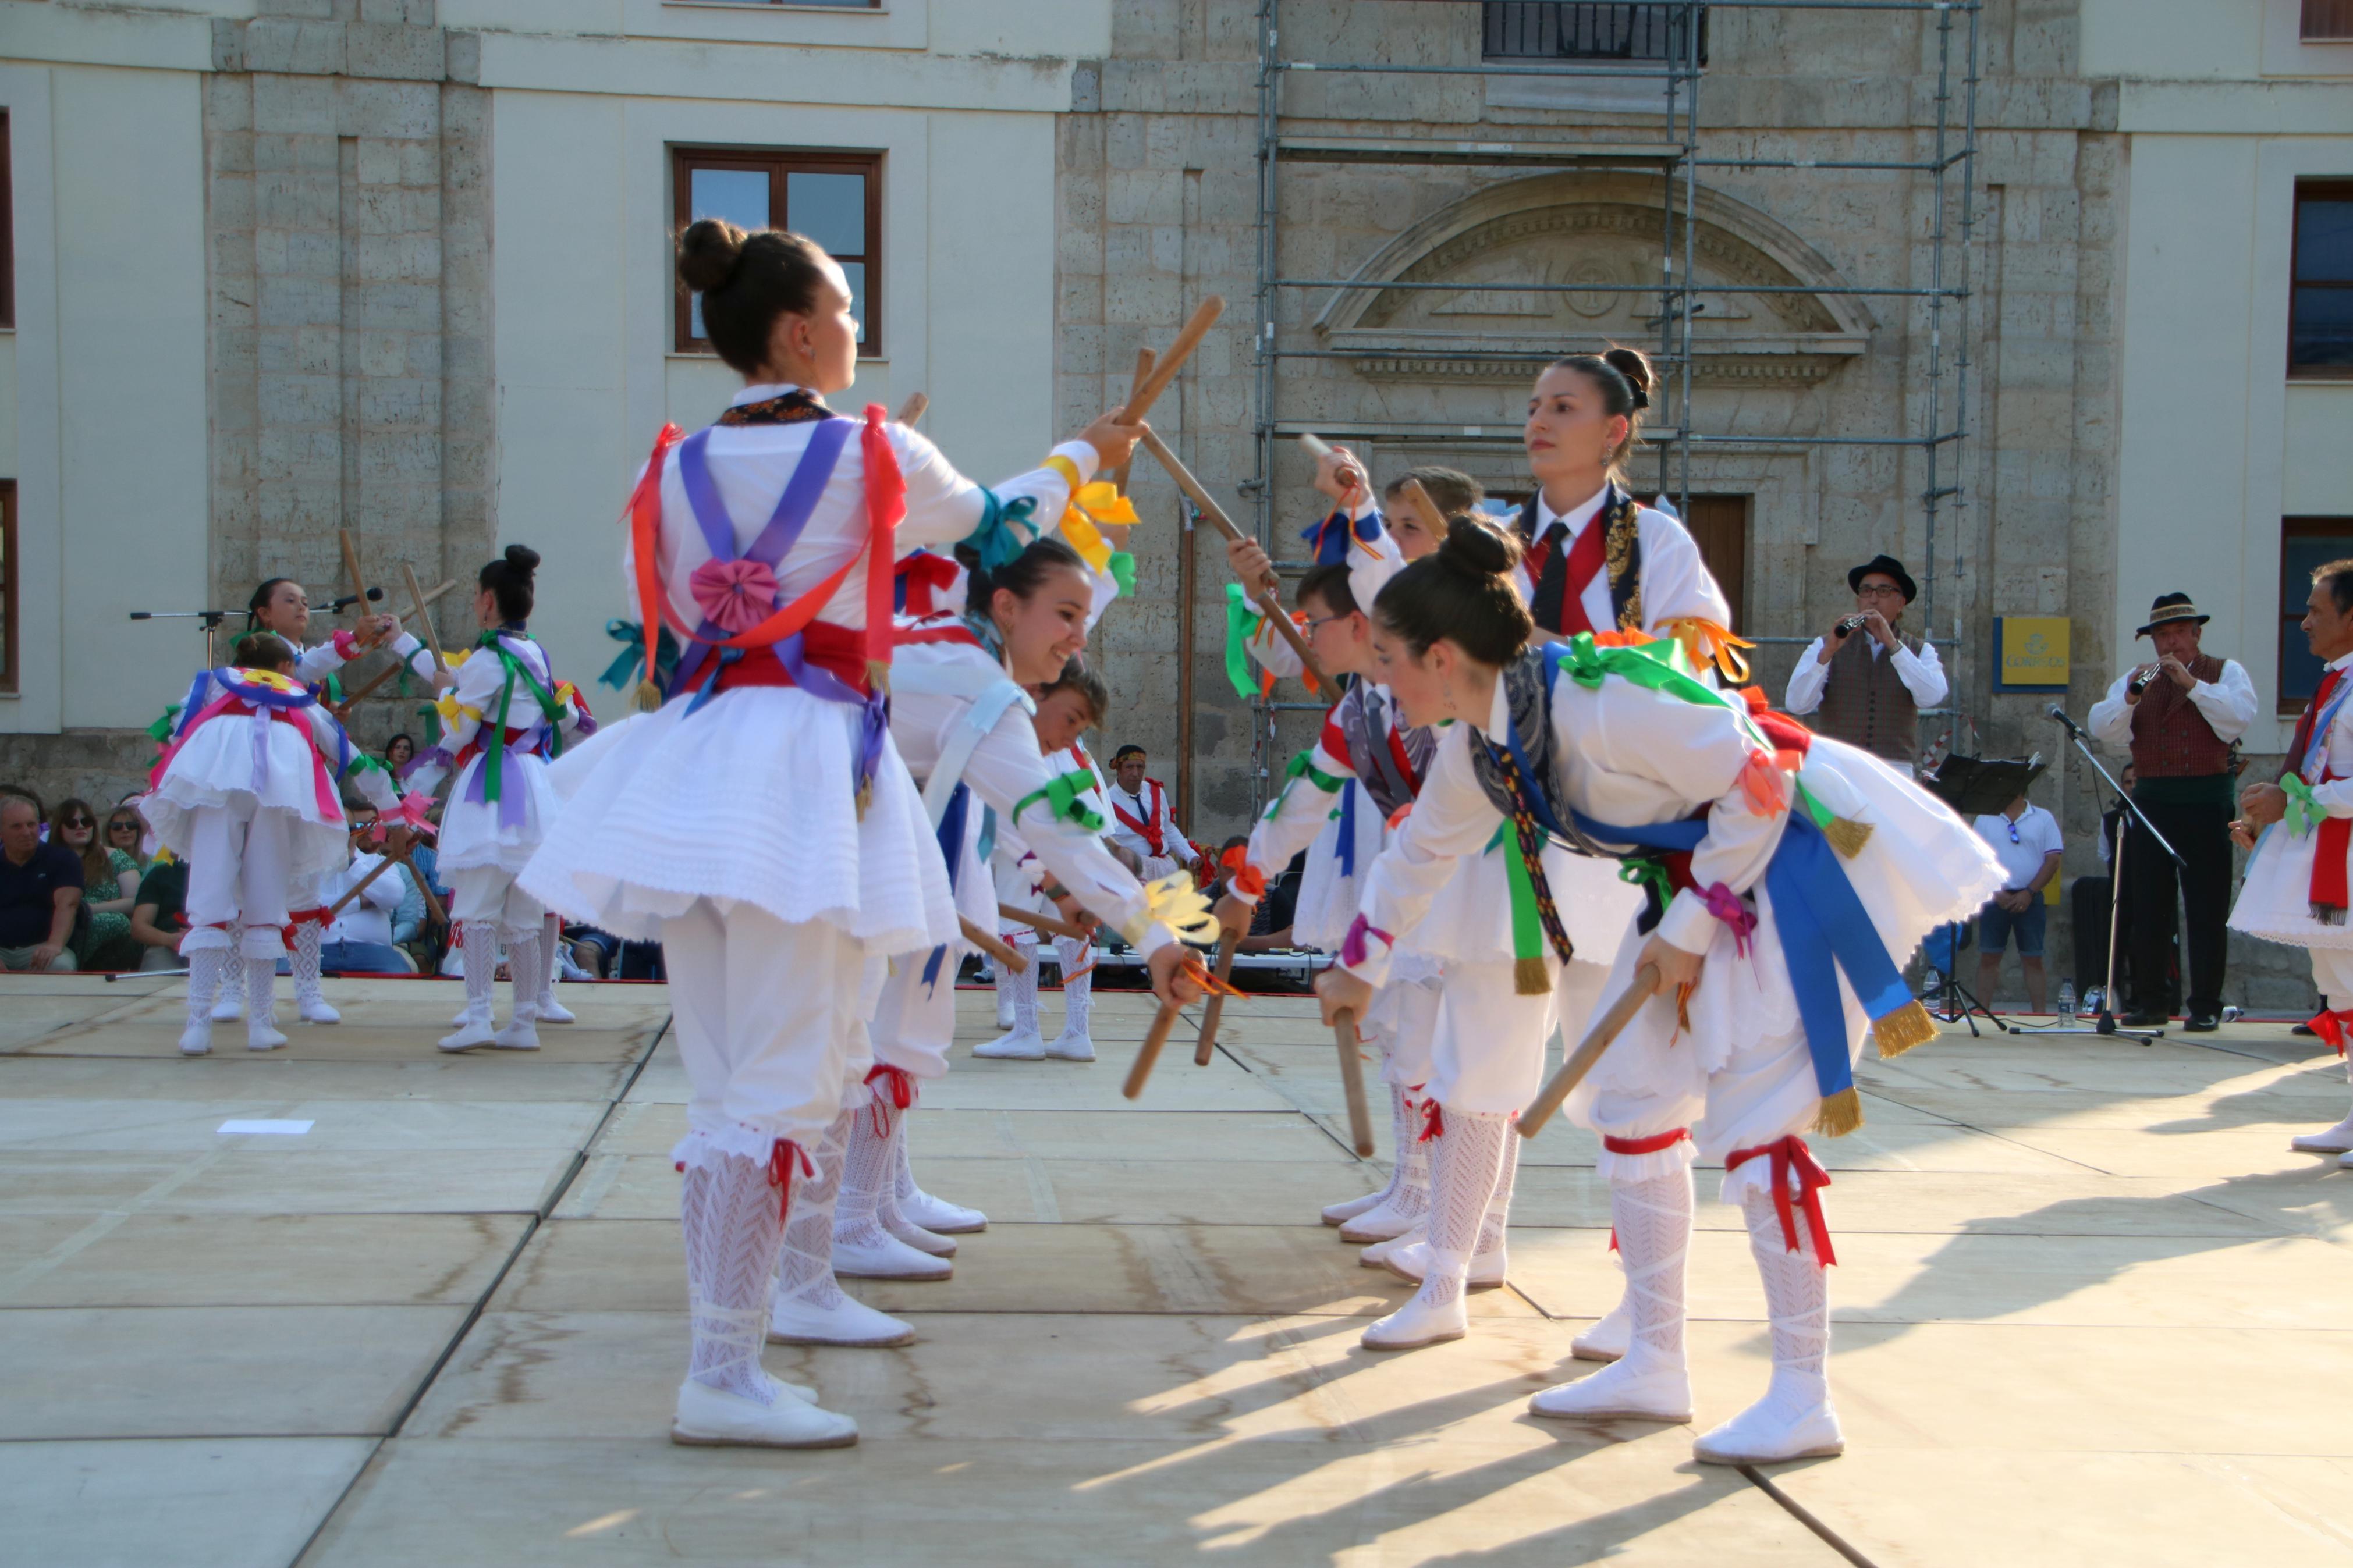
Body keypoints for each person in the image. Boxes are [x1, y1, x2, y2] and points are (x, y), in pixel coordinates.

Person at [517, 215, 1175, 1450]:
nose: (859, 338)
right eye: (848, 314)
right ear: (804, 330)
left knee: (725, 1082)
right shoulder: (877, 449)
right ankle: (723, 1373)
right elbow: (994, 526)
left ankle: (731, 1358)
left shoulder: (667, 467)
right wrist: (1081, 456)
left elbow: (652, 612)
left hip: (694, 764)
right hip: (807, 771)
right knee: (793, 1075)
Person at [1314, 519, 2001, 1466]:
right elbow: (1417, 854)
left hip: (1789, 873)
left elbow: (1756, 782)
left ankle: (1802, 1395)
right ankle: (1654, 1359)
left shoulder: (1601, 699)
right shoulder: (1482, 743)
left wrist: (1686, 933)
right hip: (1692, 894)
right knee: (1634, 1107)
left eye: (1388, 661)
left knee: (1759, 1132)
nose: (1382, 684)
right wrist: (1358, 962)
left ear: (1439, 656)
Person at [814, 547, 1207, 1346]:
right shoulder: (973, 681)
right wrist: (1158, 937)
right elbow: (1053, 828)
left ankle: (872, 1201)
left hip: (889, 850)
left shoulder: (962, 658)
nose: (1077, 638)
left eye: (1080, 618)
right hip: (843, 855)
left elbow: (1051, 826)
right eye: (1065, 616)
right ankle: (835, 1228)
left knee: (893, 1037)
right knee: (844, 1049)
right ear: (1003, 605)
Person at [143, 632, 412, 1053]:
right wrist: (394, 814)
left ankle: (197, 1023)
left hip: (218, 790)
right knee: (265, 907)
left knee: (210, 901)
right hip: (277, 794)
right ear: (287, 668)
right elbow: (352, 757)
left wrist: (172, 788)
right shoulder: (298, 698)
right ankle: (261, 1024)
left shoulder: (214, 683)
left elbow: (174, 729)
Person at [402, 546, 591, 1050]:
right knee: (525, 915)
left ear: (488, 600)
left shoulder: (488, 658)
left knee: (479, 907)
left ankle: (482, 1015)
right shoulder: (535, 652)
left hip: (494, 784)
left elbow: (460, 730)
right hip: (534, 784)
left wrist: (446, 693)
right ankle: (524, 1021)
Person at [244, 575, 446, 1026]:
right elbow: (302, 671)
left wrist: (330, 714)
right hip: (259, 785)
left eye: (305, 600)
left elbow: (309, 687)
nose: (301, 607)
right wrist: (352, 641)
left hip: (306, 781)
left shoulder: (304, 665)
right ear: (262, 613)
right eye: (290, 600)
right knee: (248, 887)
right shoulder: (254, 653)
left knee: (308, 886)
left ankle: (308, 989)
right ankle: (233, 989)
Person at [1507, 349, 1738, 677]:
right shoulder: (1495, 542)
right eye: (1533, 410)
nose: (1538, 423)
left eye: (1563, 408)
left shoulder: (1658, 541)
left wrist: (1540, 644)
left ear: (1613, 432)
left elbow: (1675, 676)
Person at [2088, 592, 2258, 1030]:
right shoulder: (2136, 679)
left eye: (2179, 633)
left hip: (2206, 801)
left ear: (2196, 633)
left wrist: (2191, 685)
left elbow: (2237, 718)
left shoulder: (2224, 672)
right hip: (2152, 803)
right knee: (2148, 905)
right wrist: (2129, 698)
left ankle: (2203, 1004)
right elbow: (2103, 729)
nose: (2170, 643)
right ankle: (2151, 1000)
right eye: (2161, 635)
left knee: (2205, 906)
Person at [2230, 559, 2353, 1156]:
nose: (2302, 622)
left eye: (2314, 611)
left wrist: (2296, 800)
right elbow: (2310, 771)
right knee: (2334, 982)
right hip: (2322, 849)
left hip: (2347, 855)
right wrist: (2267, 817)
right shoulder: (2334, 681)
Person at [978, 656, 1119, 1060]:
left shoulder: (1031, 688)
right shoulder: (1045, 679)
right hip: (1067, 800)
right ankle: (1076, 1031)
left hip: (1034, 795)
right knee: (1064, 921)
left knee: (1019, 919)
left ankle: (1028, 1030)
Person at [1783, 554, 1946, 776]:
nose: (1873, 599)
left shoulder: (1919, 650)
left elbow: (1932, 697)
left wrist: (1893, 646)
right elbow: (1796, 704)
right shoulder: (1825, 645)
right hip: (1836, 766)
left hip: (1894, 770)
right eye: (1866, 591)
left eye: (1884, 591)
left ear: (1901, 603)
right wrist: (1828, 653)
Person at [2068, 763, 2150, 1014]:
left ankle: (2145, 997)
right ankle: (2113, 996)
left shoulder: (2154, 818)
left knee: (2146, 945)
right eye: (2127, 782)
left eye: (2137, 782)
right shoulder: (2112, 820)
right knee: (2115, 945)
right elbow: (2106, 855)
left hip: (2150, 893)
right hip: (2121, 894)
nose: (2132, 787)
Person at [1970, 792, 2063, 1012]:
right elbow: (1976, 859)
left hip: (2031, 897)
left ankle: (2039, 1014)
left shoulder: (2043, 818)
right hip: (1995, 897)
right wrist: (1996, 892)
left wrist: (2029, 892)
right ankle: (1983, 1012)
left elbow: (2053, 860)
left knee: (2033, 957)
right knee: (1989, 955)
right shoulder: (1985, 818)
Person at [315, 797, 416, 974]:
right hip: (317, 950)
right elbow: (303, 906)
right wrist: (362, 902)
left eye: (347, 829)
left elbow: (394, 896)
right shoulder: (306, 867)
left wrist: (353, 864)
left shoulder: (377, 863)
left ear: (356, 832)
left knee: (399, 977)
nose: (341, 835)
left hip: (375, 951)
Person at [52, 797, 141, 970]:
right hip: (62, 925)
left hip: (110, 934)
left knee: (116, 923)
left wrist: (89, 909)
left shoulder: (115, 858)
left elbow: (135, 901)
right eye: (72, 822)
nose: (80, 827)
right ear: (59, 827)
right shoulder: (49, 861)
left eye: (86, 822)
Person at [1, 794, 82, 972]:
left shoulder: (63, 860)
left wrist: (54, 945)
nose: (27, 832)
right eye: (17, 826)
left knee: (62, 966)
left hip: (42, 946)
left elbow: (68, 905)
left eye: (31, 824)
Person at [1104, 745, 1198, 881]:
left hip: (1164, 868)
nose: (1135, 773)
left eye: (1140, 767)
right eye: (1129, 767)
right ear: (1118, 769)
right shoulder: (1107, 801)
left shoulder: (1156, 792)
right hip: (1129, 872)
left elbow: (1169, 830)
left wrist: (1191, 856)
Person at [128, 853, 193, 971]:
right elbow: (139, 927)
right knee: (159, 980)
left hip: (217, 943)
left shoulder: (226, 877)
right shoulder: (160, 874)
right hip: (167, 944)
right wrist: (170, 940)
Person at [105, 805, 152, 877]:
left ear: (138, 831)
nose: (126, 830)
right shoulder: (100, 866)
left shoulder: (154, 864)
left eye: (131, 825)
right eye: (117, 826)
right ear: (108, 833)